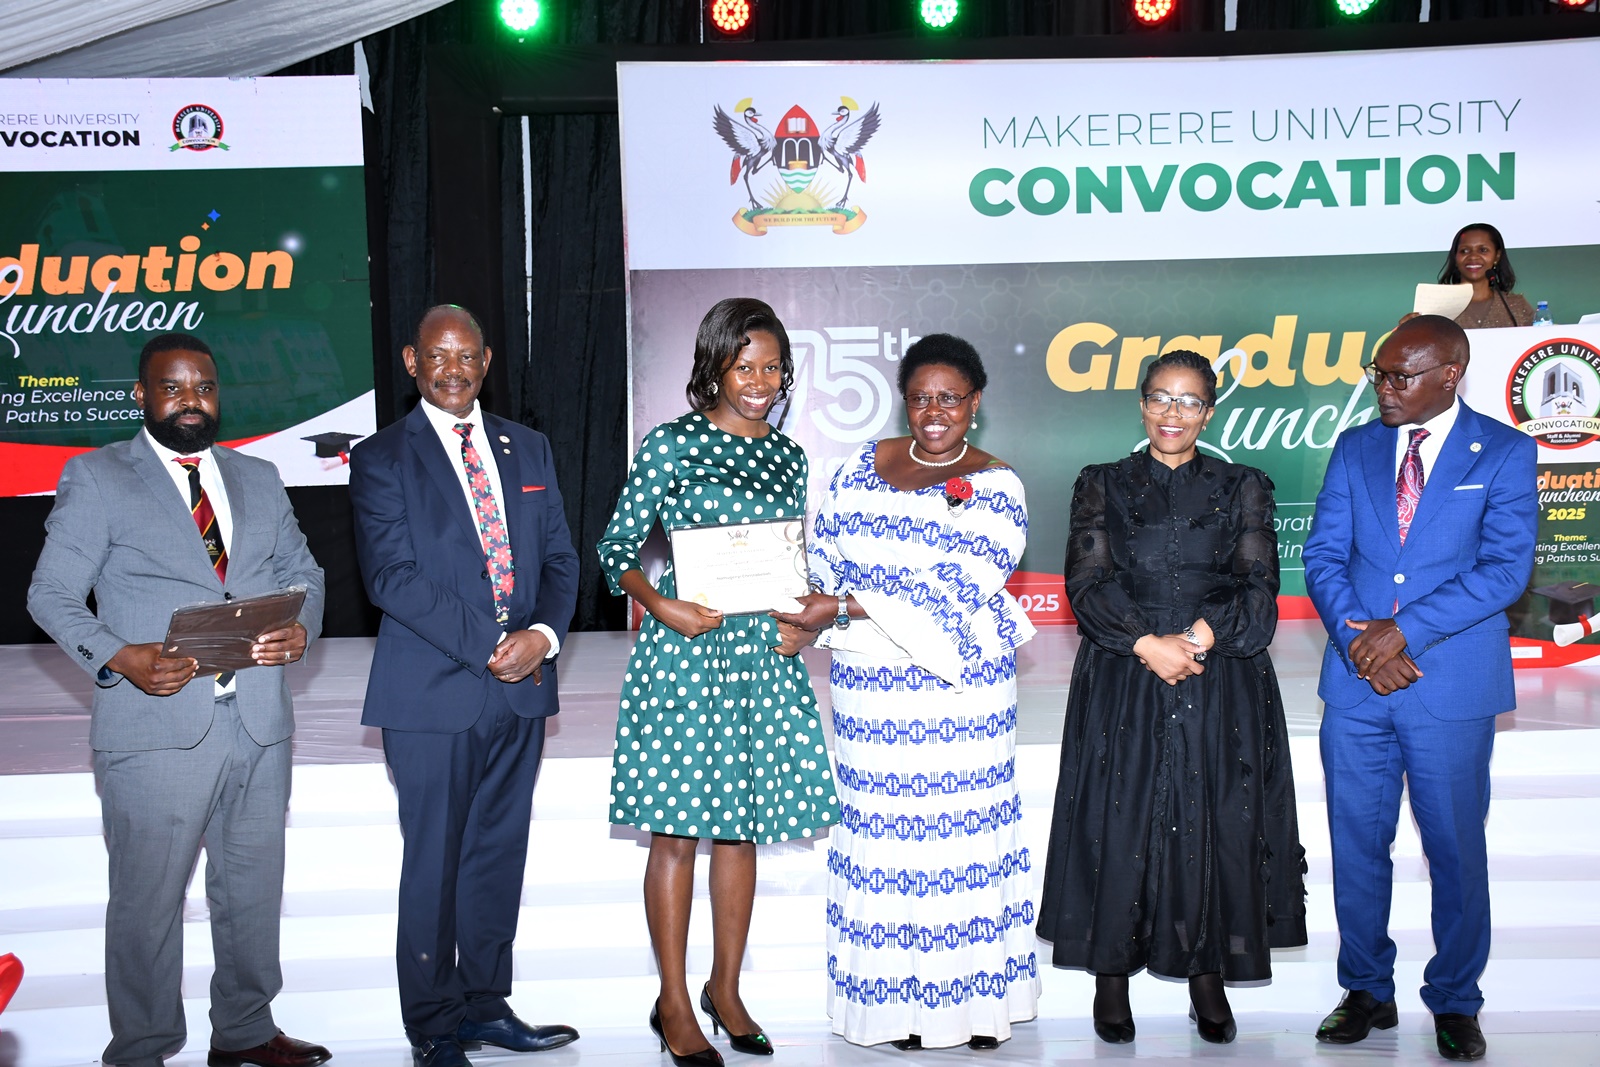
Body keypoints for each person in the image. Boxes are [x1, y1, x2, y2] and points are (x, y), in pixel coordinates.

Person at [28, 332, 330, 1067]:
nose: (191, 400)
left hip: (259, 723)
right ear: (142, 395)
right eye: (173, 387)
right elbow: (51, 593)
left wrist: (300, 628)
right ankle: (142, 1047)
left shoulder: (258, 475)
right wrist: (119, 657)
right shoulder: (98, 477)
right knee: (148, 904)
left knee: (252, 890)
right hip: (155, 727)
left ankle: (246, 1029)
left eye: (204, 386)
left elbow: (308, 573)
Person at [1036, 350, 1307, 1046]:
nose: (1173, 413)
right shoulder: (1102, 483)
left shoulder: (1244, 484)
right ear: (1141, 404)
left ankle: (1207, 974)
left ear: (1209, 412)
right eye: (1161, 398)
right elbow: (1087, 584)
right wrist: (1146, 643)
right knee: (1118, 820)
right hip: (1124, 674)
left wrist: (1195, 637)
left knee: (1215, 819)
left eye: (1189, 402)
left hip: (1221, 677)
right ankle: (1111, 976)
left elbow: (1259, 585)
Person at [777, 333, 1039, 1051]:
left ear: (975, 402)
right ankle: (895, 1009)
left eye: (949, 398)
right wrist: (823, 599)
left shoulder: (998, 485)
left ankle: (976, 1007)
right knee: (886, 844)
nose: (933, 411)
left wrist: (846, 605)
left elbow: (955, 584)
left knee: (963, 844)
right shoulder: (862, 466)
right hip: (871, 694)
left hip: (961, 697)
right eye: (920, 396)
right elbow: (824, 548)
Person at [599, 298, 838, 1067]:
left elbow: (789, 563)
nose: (761, 381)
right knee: (676, 831)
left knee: (742, 830)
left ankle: (724, 989)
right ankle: (673, 1001)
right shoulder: (670, 444)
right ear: (715, 366)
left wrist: (803, 618)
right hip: (686, 654)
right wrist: (660, 602)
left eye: (772, 367)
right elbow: (615, 548)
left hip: (763, 659)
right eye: (746, 366)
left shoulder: (789, 456)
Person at [350, 306, 580, 1067]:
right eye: (438, 356)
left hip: (520, 689)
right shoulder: (383, 456)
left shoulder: (530, 445)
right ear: (413, 361)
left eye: (469, 356)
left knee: (496, 853)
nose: (454, 369)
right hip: (432, 694)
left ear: (486, 361)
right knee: (435, 861)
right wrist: (494, 646)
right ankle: (435, 1023)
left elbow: (559, 562)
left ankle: (485, 1003)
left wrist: (541, 638)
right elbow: (392, 578)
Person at [1303, 315, 1536, 1062]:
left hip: (1450, 685)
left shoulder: (1504, 450)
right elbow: (1322, 557)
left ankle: (1456, 1001)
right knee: (1357, 845)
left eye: (1401, 375)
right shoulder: (1355, 447)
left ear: (1450, 373)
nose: (1383, 386)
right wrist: (1360, 640)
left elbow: (1505, 570)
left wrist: (1403, 633)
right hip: (1358, 685)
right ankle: (1366, 987)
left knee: (1455, 850)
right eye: (1378, 371)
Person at [1434, 223, 1534, 329]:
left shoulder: (1517, 305)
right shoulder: (1438, 308)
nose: (1473, 256)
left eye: (1483, 250)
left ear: (1497, 256)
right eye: (1465, 251)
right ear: (1455, 257)